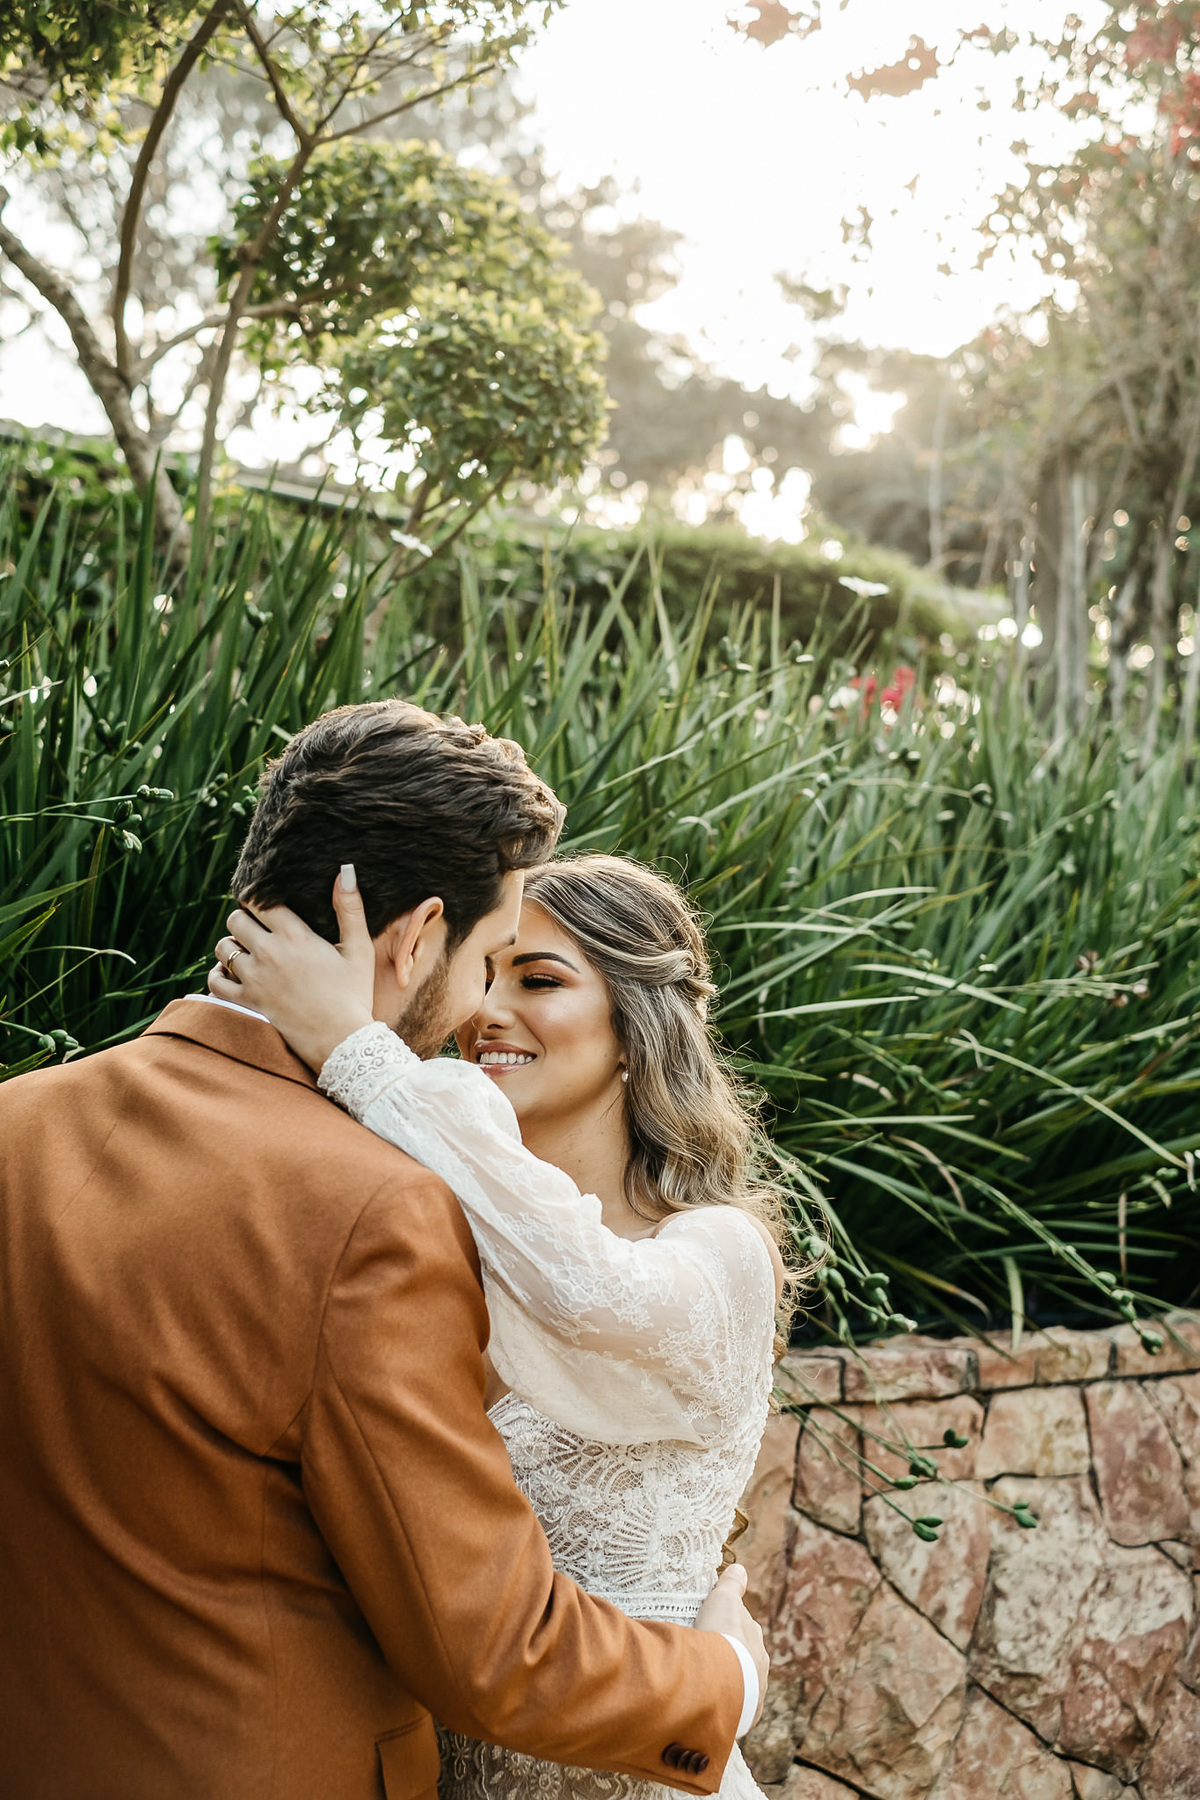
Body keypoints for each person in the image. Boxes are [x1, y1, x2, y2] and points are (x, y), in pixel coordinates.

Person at [0, 700, 766, 1800]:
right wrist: (726, 1681)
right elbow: (491, 1647)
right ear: (413, 941)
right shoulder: (375, 1209)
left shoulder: (17, 1123)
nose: (482, 1007)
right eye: (492, 958)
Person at [208, 847, 793, 1800]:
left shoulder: (718, 1254)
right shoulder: (428, 1236)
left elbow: (586, 1294)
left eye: (541, 978)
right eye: (488, 971)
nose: (488, 1010)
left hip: (632, 1766)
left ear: (637, 1030)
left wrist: (358, 1046)